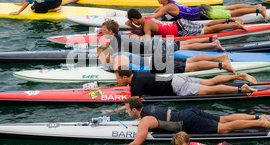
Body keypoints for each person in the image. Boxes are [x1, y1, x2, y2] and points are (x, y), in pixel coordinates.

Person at [105, 96, 270, 145]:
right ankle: (259, 118)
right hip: (189, 112)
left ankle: (263, 124)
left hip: (188, 121)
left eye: (127, 109)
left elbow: (137, 143)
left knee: (225, 128)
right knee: (225, 119)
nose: (126, 112)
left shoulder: (144, 122)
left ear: (134, 110)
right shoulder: (149, 108)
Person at [114, 69, 257, 102]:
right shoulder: (138, 74)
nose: (117, 80)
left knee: (210, 90)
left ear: (125, 77)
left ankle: (240, 88)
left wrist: (113, 111)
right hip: (176, 77)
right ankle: (239, 76)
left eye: (117, 78)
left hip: (177, 87)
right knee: (210, 81)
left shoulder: (136, 83)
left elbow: (134, 101)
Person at [101, 18, 228, 54]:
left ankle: (212, 43)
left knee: (183, 47)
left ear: (111, 31)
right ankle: (210, 39)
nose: (102, 32)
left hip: (155, 47)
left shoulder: (116, 40)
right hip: (154, 43)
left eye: (104, 30)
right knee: (182, 44)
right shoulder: (119, 35)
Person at [98, 43, 237, 75]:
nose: (99, 58)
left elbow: (122, 81)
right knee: (190, 61)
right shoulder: (119, 54)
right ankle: (221, 57)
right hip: (156, 59)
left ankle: (222, 64)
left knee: (191, 67)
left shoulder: (116, 62)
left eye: (100, 55)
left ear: (107, 54)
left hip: (157, 66)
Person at [126, 8, 249, 39]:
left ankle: (234, 25)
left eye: (132, 21)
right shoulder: (146, 19)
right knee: (205, 26)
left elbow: (147, 37)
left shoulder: (146, 25)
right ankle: (230, 20)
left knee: (207, 30)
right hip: (179, 24)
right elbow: (142, 28)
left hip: (180, 29)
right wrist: (132, 26)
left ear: (135, 19)